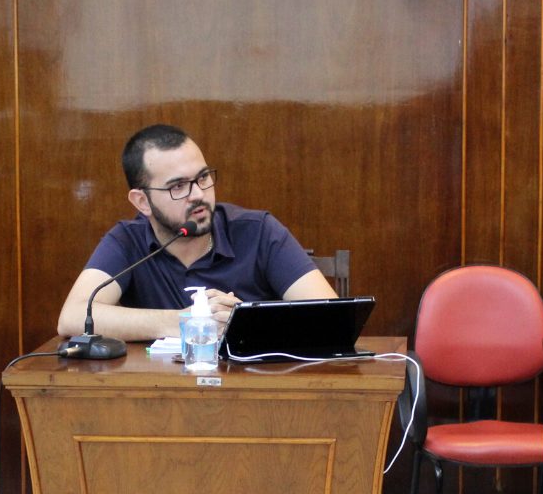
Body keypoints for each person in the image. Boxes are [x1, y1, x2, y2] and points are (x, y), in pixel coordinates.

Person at [57, 124, 337, 340]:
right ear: (142, 202)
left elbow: (332, 318)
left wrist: (246, 321)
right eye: (178, 186)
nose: (199, 195)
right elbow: (73, 317)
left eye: (203, 177)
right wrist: (184, 322)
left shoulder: (258, 231)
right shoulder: (127, 241)